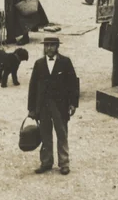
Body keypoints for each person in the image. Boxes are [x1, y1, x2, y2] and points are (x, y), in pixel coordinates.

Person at [27, 36, 79, 175]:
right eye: (46, 45)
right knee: (45, 134)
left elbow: (73, 84)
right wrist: (31, 109)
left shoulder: (65, 62)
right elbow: (33, 87)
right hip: (43, 106)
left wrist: (73, 103)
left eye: (52, 45)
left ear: (57, 47)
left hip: (60, 105)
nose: (48, 48)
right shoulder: (39, 64)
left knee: (62, 133)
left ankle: (64, 163)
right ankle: (46, 162)